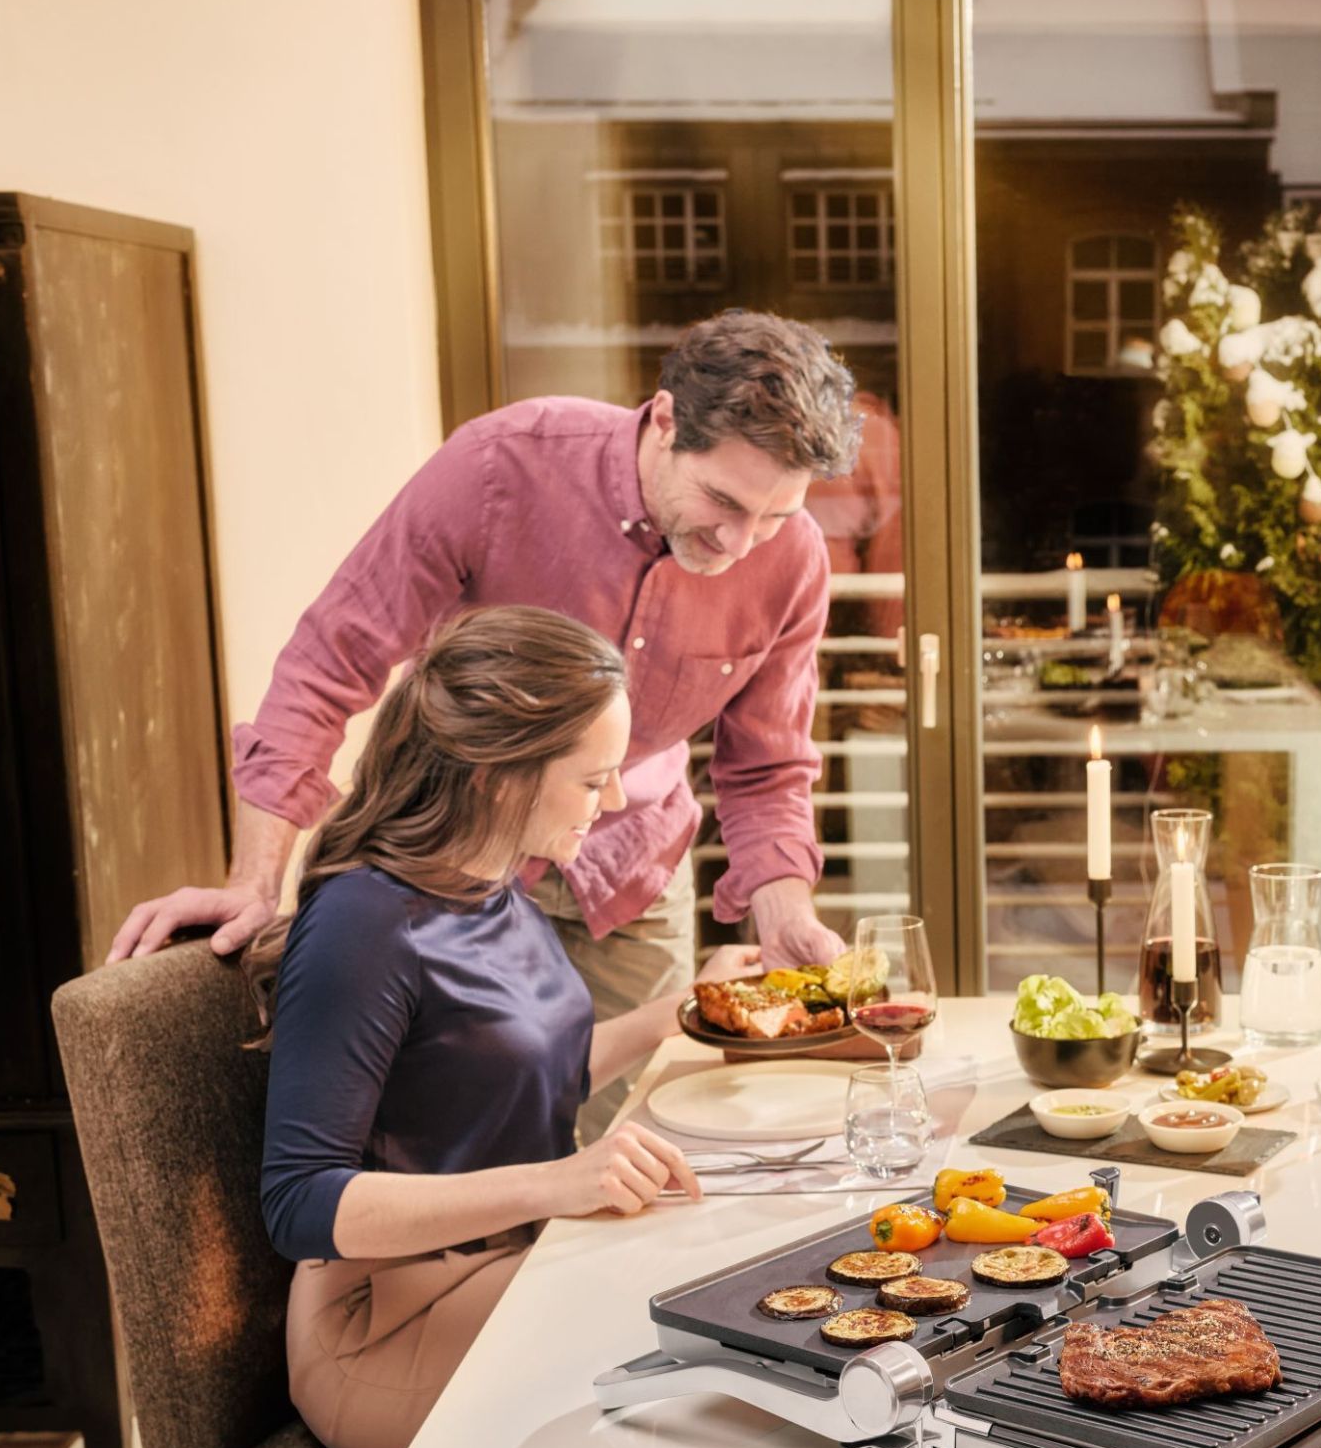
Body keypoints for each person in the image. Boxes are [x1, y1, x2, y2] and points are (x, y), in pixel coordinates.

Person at [113, 309, 862, 1136]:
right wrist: (254, 882)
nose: (742, 543)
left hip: (630, 873)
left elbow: (766, 768)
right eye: (723, 501)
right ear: (665, 420)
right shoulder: (502, 465)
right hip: (457, 865)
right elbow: (331, 658)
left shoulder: (791, 560)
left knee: (622, 1137)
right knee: (453, 1138)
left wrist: (784, 915)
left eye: (775, 515)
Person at [249, 607, 756, 1448]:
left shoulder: (494, 884)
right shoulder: (363, 924)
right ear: (495, 776)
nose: (617, 801)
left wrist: (681, 1012)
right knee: (713, 1346)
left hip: (512, 1262)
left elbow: (518, 1080)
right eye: (592, 780)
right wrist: (556, 1183)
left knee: (739, 1274)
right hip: (384, 1326)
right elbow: (299, 1205)